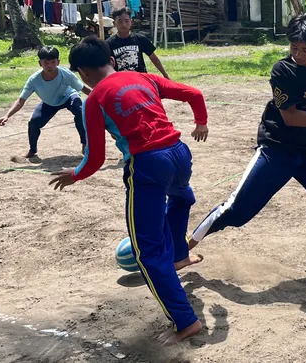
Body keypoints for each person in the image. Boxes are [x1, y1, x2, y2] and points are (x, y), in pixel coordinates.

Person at [49, 36, 209, 345]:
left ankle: (185, 322)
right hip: (179, 153)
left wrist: (75, 175)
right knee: (181, 198)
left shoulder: (94, 100)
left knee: (147, 252)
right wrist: (200, 122)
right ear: (110, 57)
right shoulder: (142, 76)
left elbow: (94, 159)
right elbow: (194, 93)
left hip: (148, 164)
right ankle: (179, 256)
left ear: (81, 72)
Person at [188, 13, 306, 295]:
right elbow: (290, 118)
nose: (299, 55)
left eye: (305, 49)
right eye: (294, 48)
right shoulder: (282, 71)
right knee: (237, 211)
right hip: (277, 149)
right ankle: (184, 247)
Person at [0, 46, 88, 161]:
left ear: (58, 62)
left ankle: (85, 144)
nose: (49, 65)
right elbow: (21, 100)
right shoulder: (34, 80)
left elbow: (83, 89)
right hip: (49, 102)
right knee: (34, 123)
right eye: (46, 62)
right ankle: (32, 150)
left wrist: (100, 98)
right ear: (40, 63)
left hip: (69, 97)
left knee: (81, 112)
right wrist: (7, 115)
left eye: (53, 62)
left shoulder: (66, 74)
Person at [106, 8, 171, 78]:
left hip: (140, 79)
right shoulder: (109, 44)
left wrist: (165, 74)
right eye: (120, 22)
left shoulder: (140, 39)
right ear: (114, 23)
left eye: (126, 21)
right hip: (120, 81)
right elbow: (104, 65)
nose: (124, 24)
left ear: (131, 22)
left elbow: (154, 58)